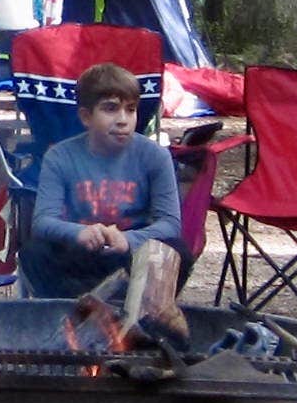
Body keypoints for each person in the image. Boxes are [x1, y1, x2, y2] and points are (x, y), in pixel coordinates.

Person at [20, 62, 195, 346]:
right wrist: (77, 232)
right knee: (33, 252)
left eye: (131, 109)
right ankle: (77, 320)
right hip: (81, 256)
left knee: (178, 250)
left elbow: (170, 224)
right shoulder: (61, 157)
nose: (123, 119)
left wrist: (128, 240)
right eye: (111, 109)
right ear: (86, 116)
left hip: (130, 260)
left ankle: (141, 320)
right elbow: (43, 221)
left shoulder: (155, 157)